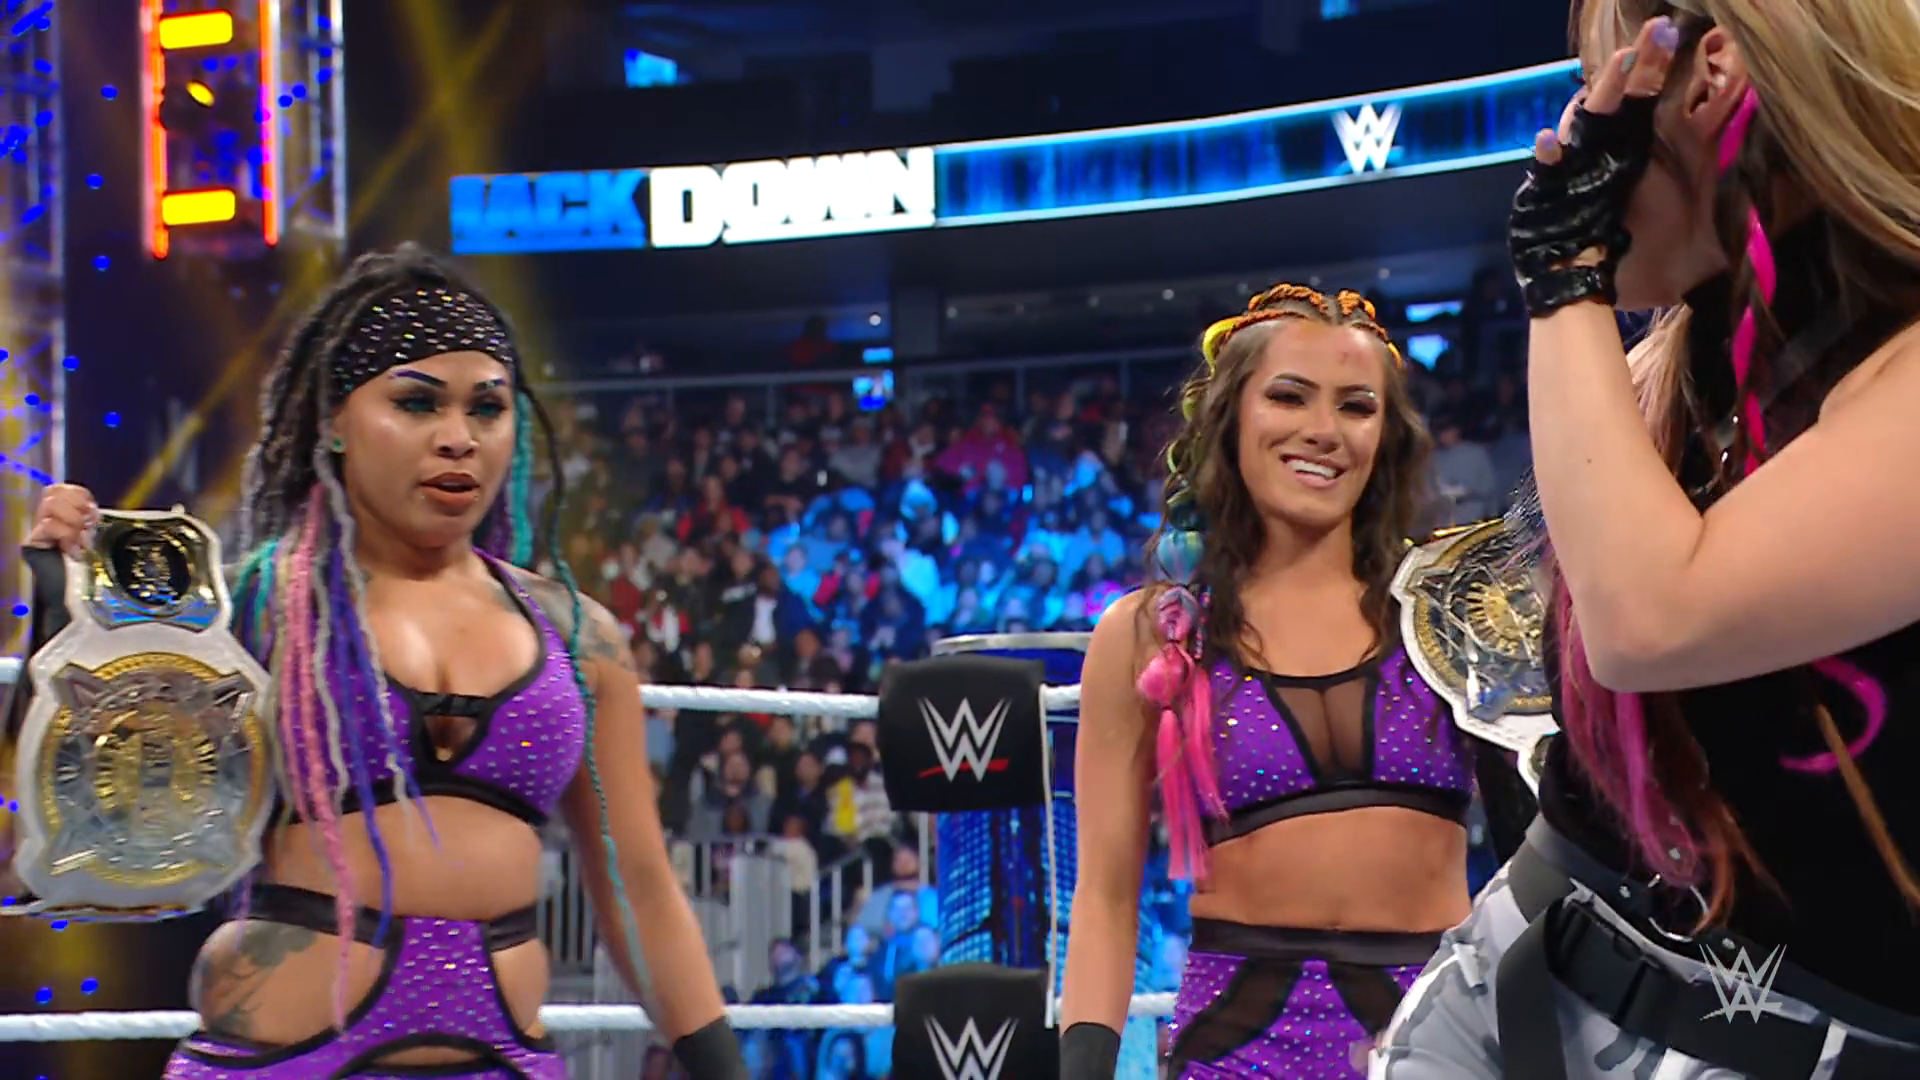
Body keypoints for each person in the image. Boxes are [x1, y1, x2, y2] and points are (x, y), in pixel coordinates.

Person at [9, 245, 749, 1078]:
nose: (458, 439)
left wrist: (725, 1071)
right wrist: (65, 623)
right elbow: (80, 826)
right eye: (417, 402)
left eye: (487, 408)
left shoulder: (580, 639)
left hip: (504, 1061)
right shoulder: (248, 606)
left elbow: (638, 886)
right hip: (287, 1062)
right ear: (334, 420)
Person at [1376, 4, 1920, 1079]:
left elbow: (1649, 620)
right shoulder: (1678, 369)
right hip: (1517, 969)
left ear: (1705, 75)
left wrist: (1566, 273)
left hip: (1776, 1040)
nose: (1571, 125)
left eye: (1594, 79)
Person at [1059, 284, 1534, 1078]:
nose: (1323, 430)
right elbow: (1105, 897)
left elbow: (1534, 862)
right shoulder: (1151, 633)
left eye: (1356, 406)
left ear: (1386, 434)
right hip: (1237, 1053)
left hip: (1442, 1043)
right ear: (1230, 417)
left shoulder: (1452, 610)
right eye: (1289, 396)